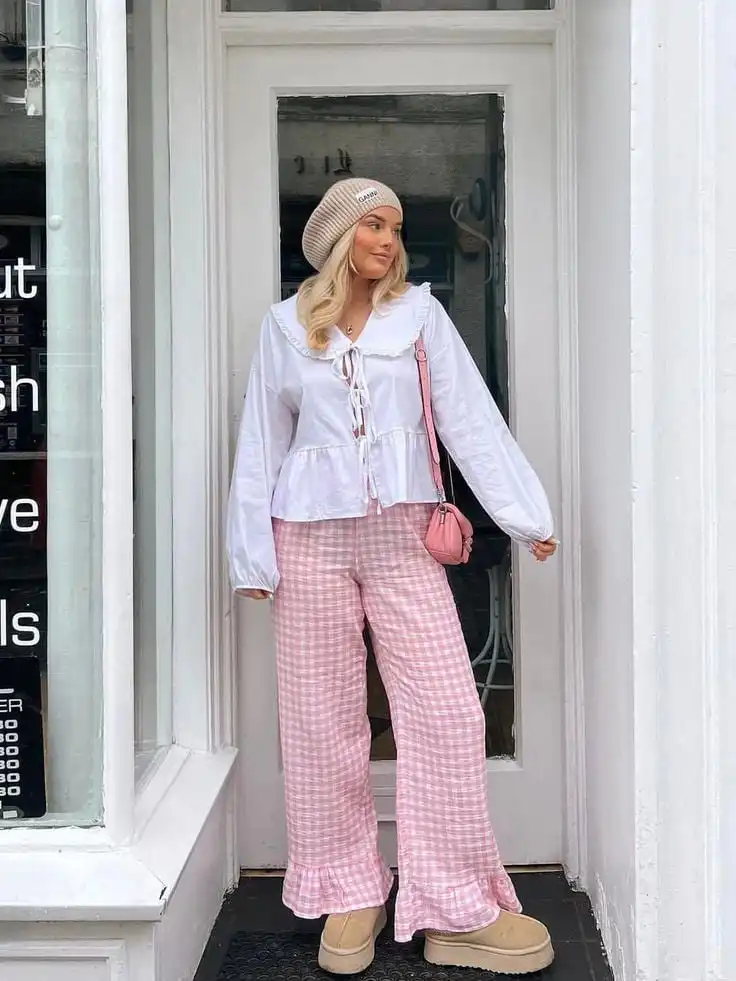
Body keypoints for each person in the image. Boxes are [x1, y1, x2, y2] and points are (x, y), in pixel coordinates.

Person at [226, 177, 558, 975]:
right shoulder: (284, 327)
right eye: (373, 225)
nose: (388, 240)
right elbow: (260, 443)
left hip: (403, 534)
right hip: (305, 538)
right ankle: (348, 887)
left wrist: (525, 514)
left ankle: (453, 903)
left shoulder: (419, 316)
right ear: (340, 237)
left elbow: (469, 416)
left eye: (394, 227)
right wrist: (251, 554)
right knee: (320, 721)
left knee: (447, 714)